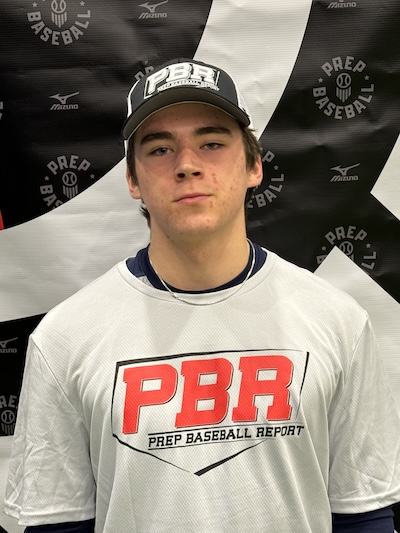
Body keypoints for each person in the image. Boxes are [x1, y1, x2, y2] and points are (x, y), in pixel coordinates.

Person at [3, 58, 400, 533]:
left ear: (254, 165)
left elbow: (363, 516)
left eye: (211, 143)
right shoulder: (65, 338)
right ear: (132, 180)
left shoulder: (337, 321)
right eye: (159, 149)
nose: (187, 165)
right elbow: (59, 526)